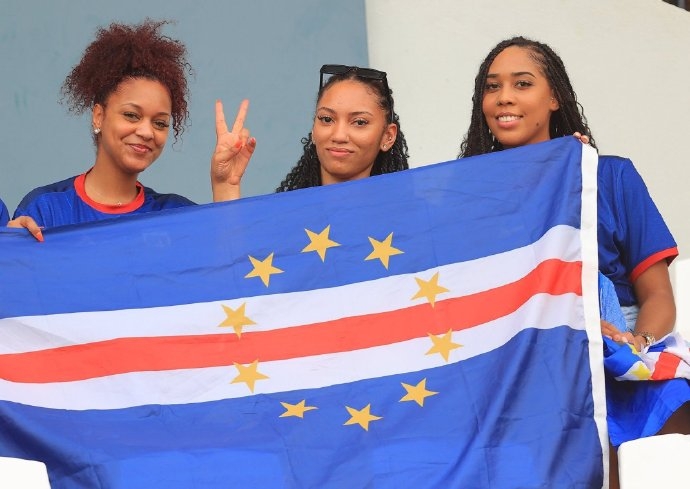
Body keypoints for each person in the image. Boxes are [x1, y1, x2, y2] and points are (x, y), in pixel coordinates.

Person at [458, 35, 689, 488]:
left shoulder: (609, 176)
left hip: (617, 350)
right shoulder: (472, 200)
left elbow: (659, 296)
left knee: (661, 412)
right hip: (524, 355)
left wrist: (634, 340)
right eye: (492, 86)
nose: (504, 97)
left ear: (555, 99)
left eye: (522, 83)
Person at [10, 19, 254, 234]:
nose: (147, 132)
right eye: (131, 115)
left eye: (160, 123)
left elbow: (229, 263)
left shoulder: (177, 216)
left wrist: (226, 187)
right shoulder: (46, 210)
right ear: (98, 116)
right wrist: (13, 251)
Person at [276, 64, 409, 191]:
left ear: (388, 136)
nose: (339, 136)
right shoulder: (281, 208)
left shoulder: (411, 207)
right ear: (314, 130)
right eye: (327, 119)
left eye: (359, 122)